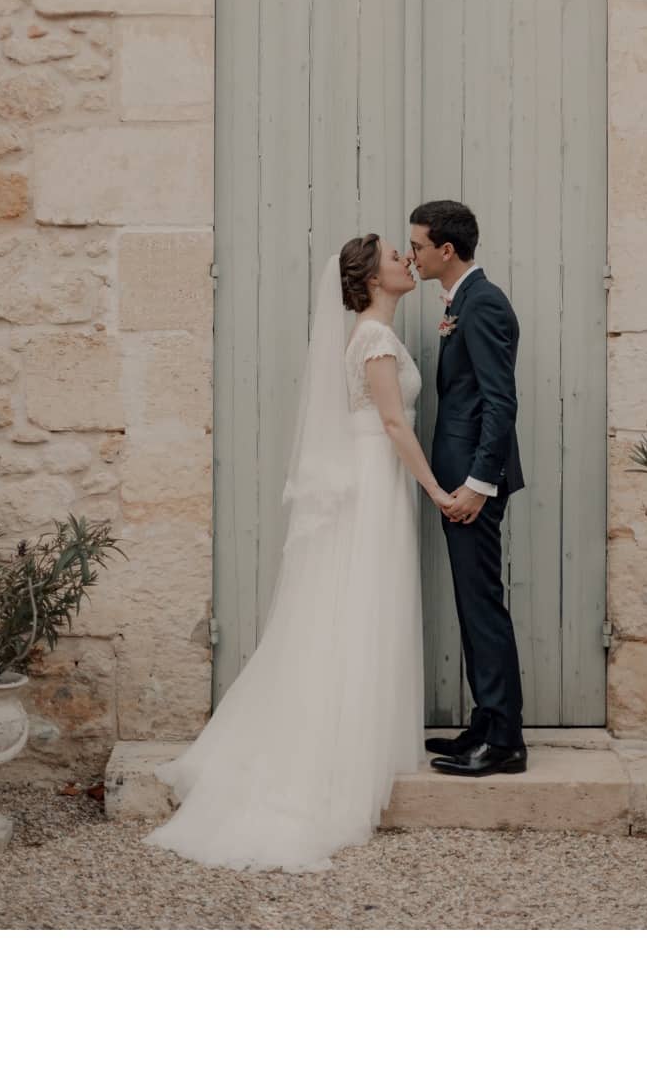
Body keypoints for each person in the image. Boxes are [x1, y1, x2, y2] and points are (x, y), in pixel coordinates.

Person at [141, 234, 453, 873]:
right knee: (360, 602)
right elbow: (394, 423)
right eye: (394, 257)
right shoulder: (374, 338)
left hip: (375, 476)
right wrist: (436, 490)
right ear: (372, 279)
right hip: (374, 479)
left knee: (356, 604)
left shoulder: (372, 335)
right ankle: (340, 751)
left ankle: (355, 737)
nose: (406, 260)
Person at [409, 200, 528, 777]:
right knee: (471, 602)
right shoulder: (464, 301)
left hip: (473, 484)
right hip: (463, 479)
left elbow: (500, 402)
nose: (413, 256)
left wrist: (479, 483)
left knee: (482, 606)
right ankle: (486, 723)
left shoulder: (483, 304)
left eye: (418, 246)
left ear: (446, 249)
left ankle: (504, 739)